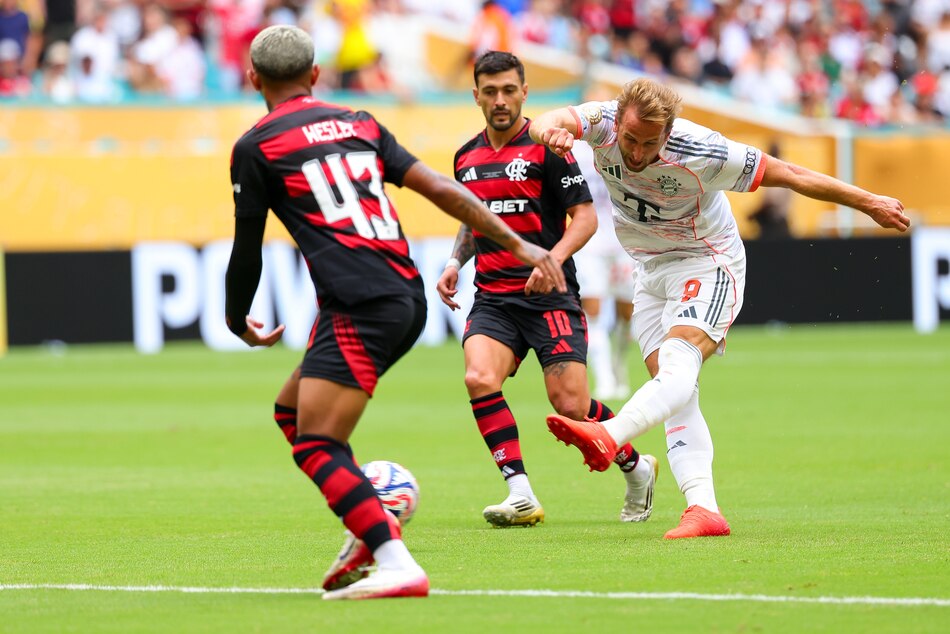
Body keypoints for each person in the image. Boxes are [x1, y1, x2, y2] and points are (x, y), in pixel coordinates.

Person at [225, 26, 565, 601]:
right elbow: (441, 188)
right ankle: (370, 523)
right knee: (292, 413)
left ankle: (393, 555)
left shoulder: (256, 146)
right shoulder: (359, 122)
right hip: (401, 293)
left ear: (252, 77)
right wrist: (519, 244)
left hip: (361, 304)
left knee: (314, 443)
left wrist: (238, 321)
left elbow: (246, 250)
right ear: (315, 75)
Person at [529, 77, 911, 539]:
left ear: (668, 134)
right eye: (630, 139)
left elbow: (792, 174)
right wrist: (549, 132)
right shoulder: (604, 120)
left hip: (707, 260)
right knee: (675, 388)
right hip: (650, 268)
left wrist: (868, 201)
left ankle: (609, 435)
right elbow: (550, 119)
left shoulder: (703, 151)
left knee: (677, 363)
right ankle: (703, 508)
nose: (636, 152)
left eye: (649, 143)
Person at [435, 51, 658, 529]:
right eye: (490, 92)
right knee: (479, 378)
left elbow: (586, 218)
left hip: (550, 296)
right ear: (476, 96)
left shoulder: (547, 150)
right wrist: (455, 261)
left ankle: (637, 467)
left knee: (571, 406)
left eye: (508, 90)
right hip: (493, 297)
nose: (500, 100)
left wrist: (551, 259)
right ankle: (520, 493)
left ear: (524, 92)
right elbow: (474, 219)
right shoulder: (466, 157)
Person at [571, 138, 637, 401]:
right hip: (589, 243)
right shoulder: (572, 150)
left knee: (627, 314)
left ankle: (618, 365)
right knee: (592, 311)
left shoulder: (620, 144)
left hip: (624, 243)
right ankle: (604, 377)